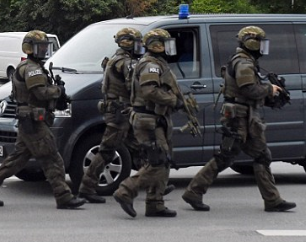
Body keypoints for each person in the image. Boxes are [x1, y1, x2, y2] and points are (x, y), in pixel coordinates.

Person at [182, 26, 296, 213]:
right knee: (227, 156)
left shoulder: (246, 61)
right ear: (252, 43)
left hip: (245, 117)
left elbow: (247, 91)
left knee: (261, 155)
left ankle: (272, 200)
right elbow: (248, 89)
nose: (263, 48)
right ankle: (194, 191)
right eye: (260, 43)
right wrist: (270, 89)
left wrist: (269, 96)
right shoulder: (243, 62)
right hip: (238, 118)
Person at [0, 30, 86, 210]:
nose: (44, 50)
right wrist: (58, 91)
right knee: (52, 158)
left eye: (45, 46)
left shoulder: (33, 66)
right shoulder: (32, 69)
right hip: (34, 122)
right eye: (40, 47)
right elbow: (40, 93)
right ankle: (63, 196)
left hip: (29, 120)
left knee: (16, 160)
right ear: (30, 48)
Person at [113, 29, 182, 218]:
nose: (169, 48)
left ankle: (155, 203)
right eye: (166, 44)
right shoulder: (150, 65)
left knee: (163, 160)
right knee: (157, 161)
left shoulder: (157, 63)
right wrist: (172, 100)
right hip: (148, 120)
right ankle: (126, 191)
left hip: (156, 119)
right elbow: (149, 91)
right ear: (157, 45)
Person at [77, 27, 144, 204]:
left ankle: (154, 182)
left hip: (119, 111)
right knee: (107, 151)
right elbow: (134, 87)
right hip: (120, 113)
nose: (140, 47)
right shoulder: (126, 62)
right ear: (127, 43)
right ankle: (86, 188)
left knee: (139, 146)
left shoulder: (114, 59)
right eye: (137, 43)